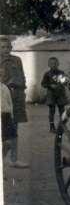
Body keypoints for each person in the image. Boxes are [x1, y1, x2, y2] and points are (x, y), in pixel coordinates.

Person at [0, 35, 29, 168]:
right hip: (2, 97)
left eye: (8, 47)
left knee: (14, 129)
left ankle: (13, 159)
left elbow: (22, 77)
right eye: (2, 47)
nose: (6, 50)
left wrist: (19, 85)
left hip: (16, 97)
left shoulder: (17, 60)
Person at [41, 57, 68, 133]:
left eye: (55, 63)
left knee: (62, 111)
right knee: (51, 111)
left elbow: (65, 82)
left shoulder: (61, 73)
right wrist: (50, 85)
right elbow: (43, 84)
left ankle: (62, 126)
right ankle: (52, 127)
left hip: (60, 94)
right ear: (49, 64)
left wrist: (63, 82)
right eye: (52, 63)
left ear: (58, 64)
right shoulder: (47, 74)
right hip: (51, 94)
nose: (54, 65)